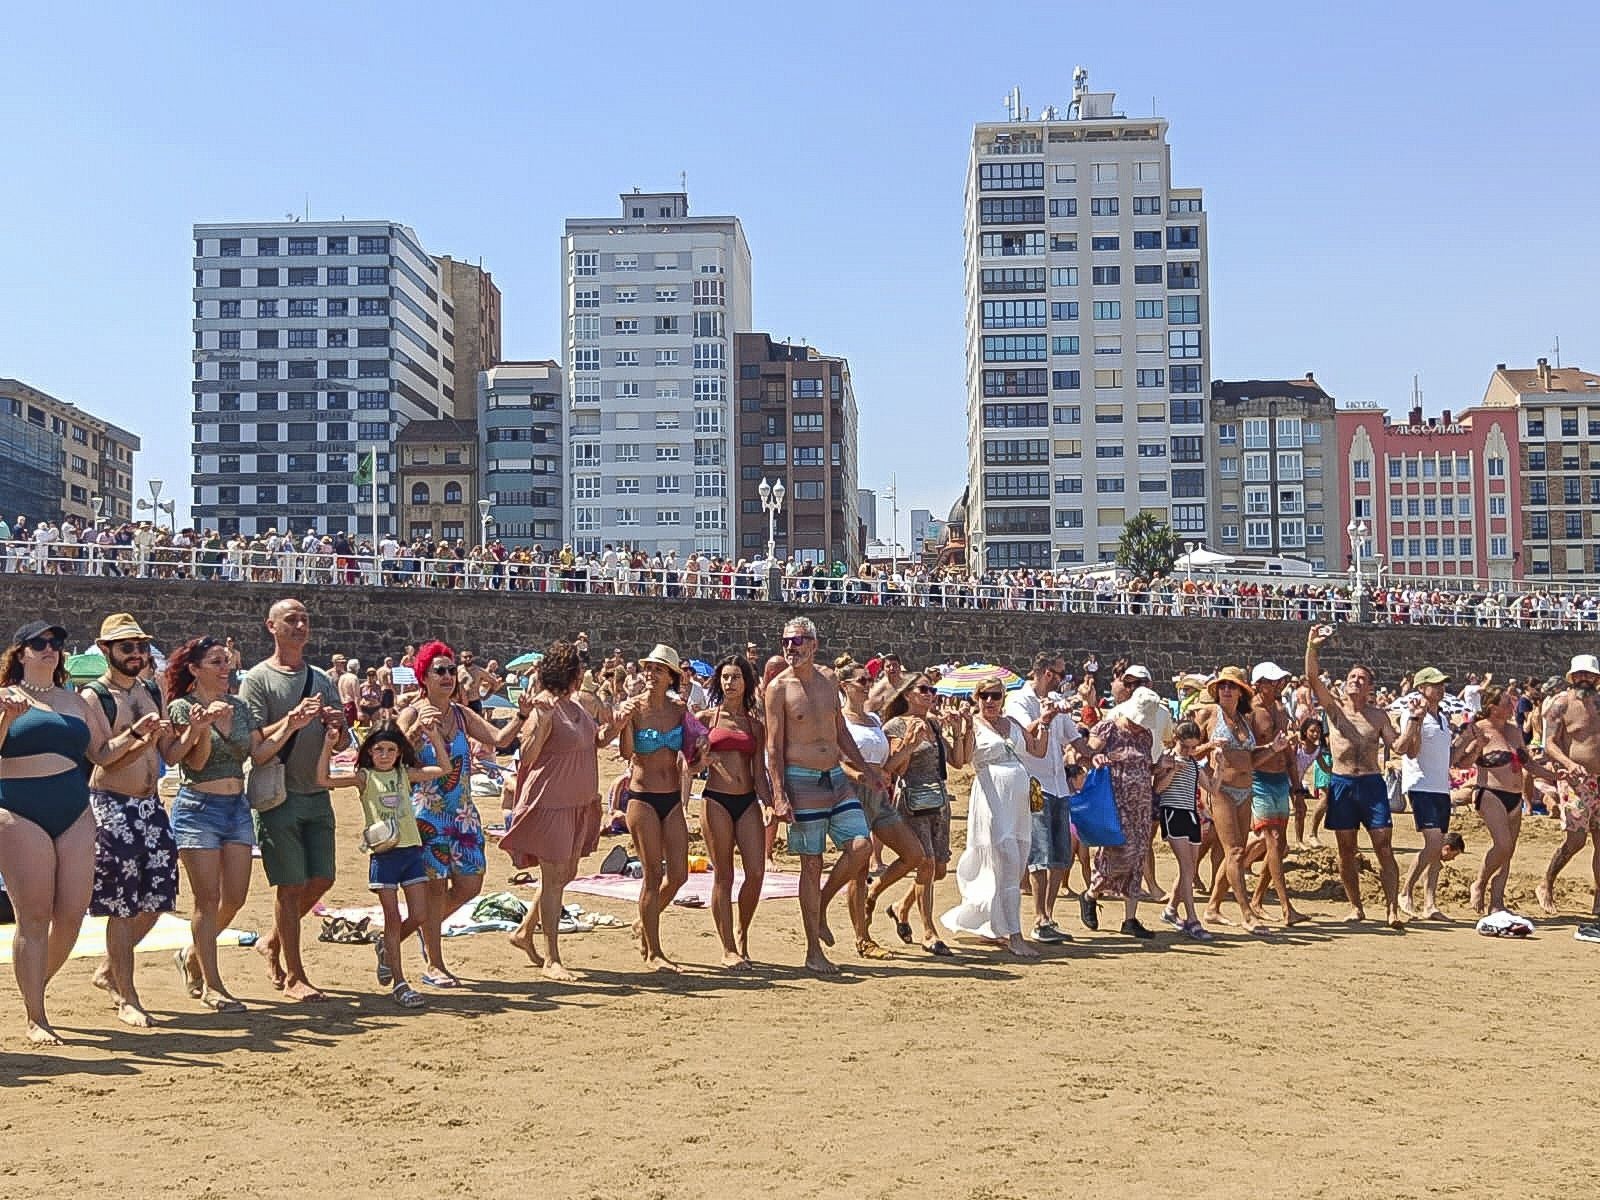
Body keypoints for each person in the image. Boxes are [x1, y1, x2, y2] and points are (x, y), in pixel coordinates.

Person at [164, 635, 315, 1011]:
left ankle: (191, 955)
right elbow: (194, 765)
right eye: (215, 662)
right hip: (198, 808)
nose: (225, 668)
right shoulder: (183, 708)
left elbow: (258, 752)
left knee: (234, 897)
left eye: (226, 661)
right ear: (195, 670)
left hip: (236, 806)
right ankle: (213, 985)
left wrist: (290, 726)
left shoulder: (239, 705)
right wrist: (199, 729)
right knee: (207, 899)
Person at [396, 639, 533, 988]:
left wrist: (521, 714)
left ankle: (401, 937)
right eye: (439, 671)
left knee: (471, 882)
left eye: (451, 671)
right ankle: (435, 964)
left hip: (463, 815)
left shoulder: (460, 713)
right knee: (436, 890)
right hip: (426, 813)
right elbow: (389, 757)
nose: (447, 677)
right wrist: (416, 731)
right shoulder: (412, 712)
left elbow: (500, 739)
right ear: (423, 676)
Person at [0, 621, 107, 1045]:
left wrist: (144, 734)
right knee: (34, 915)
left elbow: (103, 753)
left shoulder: (76, 700)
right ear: (20, 652)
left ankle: (34, 981)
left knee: (72, 913)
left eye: (56, 643)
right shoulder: (5, 696)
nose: (50, 649)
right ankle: (36, 1015)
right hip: (18, 807)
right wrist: (6, 718)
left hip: (75, 808)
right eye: (39, 643)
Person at [764, 616, 888, 974]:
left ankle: (821, 904)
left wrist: (865, 770)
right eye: (787, 641)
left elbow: (839, 733)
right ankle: (813, 951)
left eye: (799, 641)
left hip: (834, 776)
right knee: (811, 862)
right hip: (801, 780)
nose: (792, 647)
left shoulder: (829, 680)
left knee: (861, 846)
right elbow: (774, 747)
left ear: (814, 644)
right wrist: (778, 795)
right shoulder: (778, 688)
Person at [238, 599, 345, 1001]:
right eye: (291, 620)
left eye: (304, 620)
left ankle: (271, 940)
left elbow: (343, 739)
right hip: (278, 791)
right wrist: (294, 719)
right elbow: (255, 742)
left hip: (316, 789)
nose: (300, 625)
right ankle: (295, 974)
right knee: (289, 884)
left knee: (323, 878)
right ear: (272, 627)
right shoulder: (258, 679)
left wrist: (337, 728)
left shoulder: (320, 678)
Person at [80, 613, 175, 1027]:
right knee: (121, 905)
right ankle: (127, 994)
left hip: (151, 804)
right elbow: (100, 756)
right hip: (113, 804)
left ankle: (108, 970)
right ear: (106, 650)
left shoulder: (151, 688)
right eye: (126, 647)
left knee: (158, 900)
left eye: (140, 647)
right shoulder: (94, 696)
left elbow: (169, 752)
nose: (136, 654)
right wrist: (137, 733)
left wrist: (196, 730)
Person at [314, 724, 450, 1007]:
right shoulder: (365, 777)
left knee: (420, 914)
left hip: (411, 852)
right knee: (391, 917)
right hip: (384, 855)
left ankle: (385, 948)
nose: (385, 755)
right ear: (369, 752)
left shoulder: (404, 774)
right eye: (379, 749)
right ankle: (400, 983)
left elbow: (443, 769)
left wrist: (435, 738)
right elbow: (323, 780)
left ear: (400, 753)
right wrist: (328, 744)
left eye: (390, 750)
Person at [502, 642, 612, 980]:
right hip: (550, 803)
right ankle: (552, 959)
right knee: (553, 880)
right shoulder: (545, 708)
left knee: (565, 875)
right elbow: (529, 754)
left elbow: (595, 741)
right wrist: (541, 718)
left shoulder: (575, 705)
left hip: (577, 802)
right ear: (573, 673)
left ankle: (524, 932)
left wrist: (618, 724)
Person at [1304, 626, 1406, 928]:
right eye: (1351, 677)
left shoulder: (1377, 716)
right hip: (1342, 783)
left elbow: (1396, 745)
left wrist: (1413, 724)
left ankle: (1392, 909)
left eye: (1361, 679)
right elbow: (1312, 679)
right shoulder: (1335, 711)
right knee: (1346, 848)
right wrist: (1312, 646)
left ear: (1369, 687)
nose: (1355, 681)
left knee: (1383, 845)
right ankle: (1356, 906)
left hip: (1371, 783)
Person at [942, 674, 1048, 955]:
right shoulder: (973, 725)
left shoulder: (1011, 723)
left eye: (995, 696)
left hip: (1017, 801)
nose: (989, 701)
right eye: (984, 696)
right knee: (1007, 858)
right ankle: (1015, 934)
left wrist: (1046, 723)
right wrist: (961, 729)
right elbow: (962, 761)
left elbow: (1037, 750)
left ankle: (997, 924)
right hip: (991, 798)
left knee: (1017, 857)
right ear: (976, 698)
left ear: (1003, 698)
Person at [614, 644, 702, 970]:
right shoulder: (634, 709)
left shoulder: (678, 710)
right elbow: (626, 754)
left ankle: (643, 923)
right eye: (648, 668)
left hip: (672, 797)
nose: (651, 674)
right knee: (652, 874)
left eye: (658, 669)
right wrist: (623, 724)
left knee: (678, 875)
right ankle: (654, 951)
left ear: (671, 677)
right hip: (642, 796)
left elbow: (695, 747)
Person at [836, 658, 926, 960]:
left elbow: (891, 767)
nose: (867, 685)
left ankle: (873, 895)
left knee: (914, 854)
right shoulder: (840, 720)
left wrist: (910, 747)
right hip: (853, 793)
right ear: (845, 687)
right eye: (861, 681)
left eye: (867, 681)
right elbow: (836, 760)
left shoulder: (874, 720)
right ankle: (863, 938)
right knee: (858, 868)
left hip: (880, 794)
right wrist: (861, 775)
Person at [879, 673, 970, 955]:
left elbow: (958, 761)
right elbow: (894, 768)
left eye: (933, 689)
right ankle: (929, 932)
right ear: (908, 694)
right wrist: (909, 741)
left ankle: (898, 906)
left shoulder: (933, 724)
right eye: (924, 689)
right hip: (912, 800)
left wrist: (961, 729)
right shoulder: (896, 724)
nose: (930, 694)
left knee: (938, 870)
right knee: (927, 863)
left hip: (939, 802)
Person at [1006, 651, 1086, 944]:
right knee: (1041, 852)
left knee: (1061, 854)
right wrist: (1045, 718)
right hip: (1034, 784)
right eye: (1062, 673)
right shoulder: (1019, 700)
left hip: (1058, 784)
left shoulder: (1054, 701)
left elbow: (1073, 737)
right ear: (1048, 673)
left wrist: (1096, 754)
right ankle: (1039, 917)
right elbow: (1021, 738)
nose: (1064, 679)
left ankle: (1048, 916)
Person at [696, 655, 769, 968]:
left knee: (756, 871)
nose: (730, 683)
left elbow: (759, 770)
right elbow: (687, 762)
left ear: (746, 682)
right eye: (725, 677)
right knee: (723, 875)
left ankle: (742, 931)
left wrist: (769, 803)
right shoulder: (706, 717)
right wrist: (700, 761)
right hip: (716, 799)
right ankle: (727, 948)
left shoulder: (755, 724)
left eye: (736, 677)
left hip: (748, 799)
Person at [1459, 684, 1556, 914]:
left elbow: (1528, 764)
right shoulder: (1476, 729)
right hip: (1490, 792)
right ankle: (1480, 883)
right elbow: (1461, 762)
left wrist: (1554, 775)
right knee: (1502, 845)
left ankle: (1497, 901)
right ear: (1493, 708)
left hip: (1515, 795)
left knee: (1508, 851)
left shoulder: (1514, 731)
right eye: (1507, 703)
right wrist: (1476, 747)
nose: (1513, 705)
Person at [1080, 687, 1163, 939]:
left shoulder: (1146, 736)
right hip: (1114, 802)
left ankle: (1130, 917)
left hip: (1140, 804)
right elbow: (1086, 753)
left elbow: (1147, 767)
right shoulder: (1109, 729)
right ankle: (1092, 893)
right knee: (1119, 853)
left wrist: (1163, 767)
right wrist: (1098, 758)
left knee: (1138, 856)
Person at [1196, 667, 1269, 934]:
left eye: (1232, 686)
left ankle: (1213, 907)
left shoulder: (1244, 719)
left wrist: (1274, 748)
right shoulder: (1208, 715)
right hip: (1220, 789)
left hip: (1245, 789)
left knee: (1234, 852)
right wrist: (1209, 748)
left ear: (1241, 691)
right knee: (1236, 852)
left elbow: (1250, 759)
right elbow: (1187, 750)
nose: (1226, 690)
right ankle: (1247, 912)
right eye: (1223, 686)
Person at [1536, 654, 1600, 915]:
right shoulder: (1560, 705)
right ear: (1572, 677)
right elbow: (1548, 742)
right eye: (1580, 674)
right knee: (1575, 840)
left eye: (1590, 675)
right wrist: (1569, 763)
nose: (1585, 678)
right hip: (1576, 781)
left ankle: (1598, 899)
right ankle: (1547, 882)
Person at [1395, 667, 1458, 920]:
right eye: (1435, 684)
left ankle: (1430, 902)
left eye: (1442, 684)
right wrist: (1417, 720)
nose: (1441, 688)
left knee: (1438, 847)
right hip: (1420, 784)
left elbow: (1447, 756)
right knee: (1433, 844)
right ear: (1421, 687)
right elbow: (1411, 750)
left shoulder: (1443, 718)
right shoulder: (1411, 714)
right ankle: (1406, 891)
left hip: (1441, 786)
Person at [1245, 662, 1304, 926]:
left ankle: (1257, 899)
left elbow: (1289, 753)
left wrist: (1297, 787)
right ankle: (1285, 907)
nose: (1277, 685)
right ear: (1258, 684)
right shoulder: (1250, 713)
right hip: (1260, 779)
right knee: (1273, 839)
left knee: (1278, 846)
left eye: (1278, 681)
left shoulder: (1280, 709)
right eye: (1271, 682)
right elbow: (1248, 754)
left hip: (1280, 779)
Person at [1154, 719, 1215, 940]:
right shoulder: (1168, 760)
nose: (1189, 751)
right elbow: (1158, 788)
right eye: (1185, 747)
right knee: (1188, 867)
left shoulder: (1194, 764)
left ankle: (1171, 910)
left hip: (1191, 815)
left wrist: (1221, 766)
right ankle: (1192, 918)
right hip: (1173, 813)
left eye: (1193, 747)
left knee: (1188, 869)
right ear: (1177, 741)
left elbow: (1212, 788)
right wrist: (1171, 770)